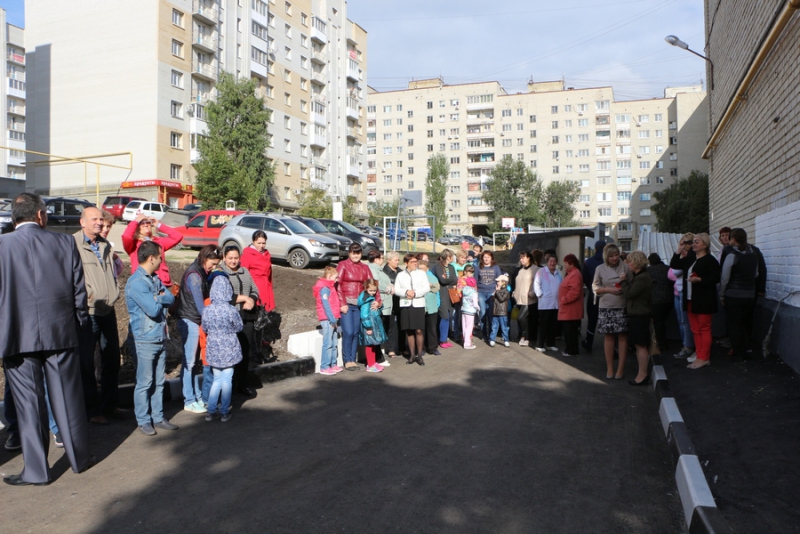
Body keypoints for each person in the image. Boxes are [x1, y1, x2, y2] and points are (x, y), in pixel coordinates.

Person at [0, 193, 92, 486]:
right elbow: (80, 292)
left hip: (16, 335)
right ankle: (79, 459)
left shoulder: (2, 247)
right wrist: (77, 325)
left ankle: (37, 471)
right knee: (68, 399)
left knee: (29, 405)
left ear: (15, 219)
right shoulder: (65, 243)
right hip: (61, 332)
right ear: (41, 216)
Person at [73, 207, 123, 426]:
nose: (99, 223)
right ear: (82, 222)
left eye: (101, 219)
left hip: (108, 309)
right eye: (94, 219)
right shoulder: (72, 244)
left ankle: (110, 405)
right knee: (86, 364)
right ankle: (91, 411)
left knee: (111, 359)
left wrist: (115, 290)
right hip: (89, 311)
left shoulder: (104, 244)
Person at [126, 240, 178, 436]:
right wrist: (159, 298)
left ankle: (158, 416)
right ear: (151, 258)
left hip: (159, 336)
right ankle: (143, 420)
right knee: (145, 382)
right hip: (145, 339)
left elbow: (171, 298)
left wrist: (159, 297)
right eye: (160, 258)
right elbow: (154, 309)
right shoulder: (137, 283)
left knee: (158, 381)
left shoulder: (154, 279)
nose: (161, 261)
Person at [175, 245, 223, 413]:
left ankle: (195, 396)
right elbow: (200, 306)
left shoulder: (200, 271)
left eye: (216, 264)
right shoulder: (195, 276)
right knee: (189, 362)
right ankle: (189, 400)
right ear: (204, 258)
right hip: (189, 319)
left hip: (193, 319)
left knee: (193, 362)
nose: (214, 267)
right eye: (213, 263)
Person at [671, 233, 720, 370]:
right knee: (695, 329)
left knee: (704, 329)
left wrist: (700, 280)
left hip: (704, 300)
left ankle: (704, 357)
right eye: (693, 242)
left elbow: (716, 278)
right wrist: (679, 250)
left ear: (705, 244)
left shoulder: (710, 260)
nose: (693, 244)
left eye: (697, 242)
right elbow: (674, 265)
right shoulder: (691, 259)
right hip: (690, 299)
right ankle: (699, 355)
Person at [201, 276, 243, 422]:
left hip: (213, 348)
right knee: (227, 380)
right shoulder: (231, 310)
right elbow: (239, 327)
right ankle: (224, 411)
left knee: (216, 380)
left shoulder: (207, 310)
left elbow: (205, 327)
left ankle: (211, 411)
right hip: (229, 348)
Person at [221, 246, 259, 396]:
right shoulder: (222, 274)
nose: (233, 261)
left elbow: (255, 289)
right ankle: (229, 385)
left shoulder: (245, 272)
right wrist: (244, 298)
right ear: (224, 257)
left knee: (245, 351)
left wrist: (252, 300)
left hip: (247, 317)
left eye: (236, 258)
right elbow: (224, 295)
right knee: (231, 353)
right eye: (230, 258)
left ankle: (243, 383)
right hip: (231, 318)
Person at [592, 243, 633, 379]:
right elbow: (595, 288)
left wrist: (624, 285)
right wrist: (609, 289)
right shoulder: (600, 268)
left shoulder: (626, 267)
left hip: (622, 305)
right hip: (606, 306)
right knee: (609, 337)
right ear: (606, 257)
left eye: (616, 255)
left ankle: (620, 369)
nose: (614, 258)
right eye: (611, 256)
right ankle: (610, 367)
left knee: (622, 337)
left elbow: (632, 286)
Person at [720, 228, 759, 362]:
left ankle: (738, 350)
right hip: (750, 294)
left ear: (734, 239)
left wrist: (722, 294)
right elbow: (756, 275)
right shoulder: (753, 254)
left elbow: (725, 278)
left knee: (734, 324)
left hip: (733, 295)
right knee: (745, 323)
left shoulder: (732, 255)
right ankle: (748, 349)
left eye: (730, 237)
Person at [337, 243, 376, 371]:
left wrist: (378, 300)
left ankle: (352, 359)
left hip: (359, 304)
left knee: (356, 332)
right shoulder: (343, 265)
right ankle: (347, 359)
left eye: (358, 253)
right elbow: (337, 285)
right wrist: (342, 303)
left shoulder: (365, 267)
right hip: (347, 304)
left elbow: (372, 284)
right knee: (348, 332)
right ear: (349, 253)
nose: (356, 255)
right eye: (353, 253)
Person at [240, 230, 276, 362]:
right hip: (254, 289)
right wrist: (247, 294)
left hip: (264, 288)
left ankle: (259, 349)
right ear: (253, 242)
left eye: (263, 243)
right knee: (255, 321)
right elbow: (244, 275)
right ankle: (253, 352)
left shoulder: (267, 254)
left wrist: (270, 290)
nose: (261, 245)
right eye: (259, 243)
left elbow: (269, 274)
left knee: (262, 320)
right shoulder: (247, 254)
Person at [121, 213, 183, 286]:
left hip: (162, 283)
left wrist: (159, 225)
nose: (146, 225)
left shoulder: (159, 241)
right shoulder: (133, 244)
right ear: (136, 227)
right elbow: (126, 236)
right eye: (141, 223)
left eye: (148, 222)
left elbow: (178, 237)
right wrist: (135, 221)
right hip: (143, 283)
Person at [622, 251, 653, 385]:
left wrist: (623, 282)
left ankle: (642, 375)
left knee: (640, 346)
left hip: (640, 315)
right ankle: (642, 374)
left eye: (630, 262)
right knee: (639, 345)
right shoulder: (640, 276)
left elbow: (629, 293)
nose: (628, 265)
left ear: (635, 262)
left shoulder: (642, 277)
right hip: (638, 314)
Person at [394, 253, 431, 365]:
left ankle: (420, 355)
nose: (415, 264)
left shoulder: (421, 274)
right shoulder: (400, 275)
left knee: (419, 330)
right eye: (412, 262)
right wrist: (406, 292)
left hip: (418, 303)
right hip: (406, 304)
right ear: (406, 263)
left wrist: (415, 293)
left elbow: (426, 288)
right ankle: (412, 355)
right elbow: (396, 289)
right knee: (409, 330)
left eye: (416, 262)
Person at [671, 233, 697, 360]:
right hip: (678, 290)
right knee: (681, 320)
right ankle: (685, 345)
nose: (684, 245)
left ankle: (688, 347)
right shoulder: (682, 257)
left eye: (687, 242)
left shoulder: (692, 257)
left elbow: (675, 272)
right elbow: (673, 271)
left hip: (685, 291)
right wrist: (678, 252)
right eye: (682, 242)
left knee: (685, 321)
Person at [313, 266, 343, 376]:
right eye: (335, 278)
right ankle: (324, 366)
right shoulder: (325, 288)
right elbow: (326, 305)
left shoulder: (330, 287)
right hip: (328, 319)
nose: (337, 280)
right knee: (328, 343)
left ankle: (333, 364)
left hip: (333, 318)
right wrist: (331, 319)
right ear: (329, 276)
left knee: (334, 342)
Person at [366, 249, 392, 366]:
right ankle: (378, 358)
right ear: (376, 259)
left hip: (384, 302)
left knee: (381, 330)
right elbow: (376, 284)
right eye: (382, 258)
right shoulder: (373, 269)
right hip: (379, 303)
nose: (383, 260)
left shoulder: (378, 269)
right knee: (377, 331)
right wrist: (389, 288)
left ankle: (379, 357)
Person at [533, 254, 562, 352]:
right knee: (543, 325)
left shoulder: (558, 273)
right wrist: (540, 294)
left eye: (554, 261)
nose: (552, 263)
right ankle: (539, 345)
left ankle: (550, 344)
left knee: (553, 325)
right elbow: (536, 284)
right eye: (551, 261)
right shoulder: (541, 272)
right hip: (545, 303)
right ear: (547, 262)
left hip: (555, 304)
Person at [358, 279, 387, 373]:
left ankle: (373, 362)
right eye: (371, 290)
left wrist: (379, 305)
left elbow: (376, 310)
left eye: (374, 291)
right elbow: (364, 315)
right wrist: (368, 327)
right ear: (366, 289)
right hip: (370, 326)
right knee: (370, 345)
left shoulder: (372, 298)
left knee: (373, 344)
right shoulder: (366, 301)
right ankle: (370, 365)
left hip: (374, 324)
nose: (373, 292)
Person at [582, 241, 606, 352]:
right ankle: (613, 347)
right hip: (608, 296)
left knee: (592, 320)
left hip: (593, 295)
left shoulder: (588, 262)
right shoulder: (609, 262)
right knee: (608, 321)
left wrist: (591, 287)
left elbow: (585, 278)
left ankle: (589, 343)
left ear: (595, 249)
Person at [558, 254, 584, 357]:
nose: (564, 265)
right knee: (569, 331)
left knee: (570, 332)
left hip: (570, 309)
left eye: (565, 263)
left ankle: (571, 350)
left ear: (571, 264)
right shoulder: (572, 273)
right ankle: (570, 349)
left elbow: (574, 292)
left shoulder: (575, 274)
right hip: (568, 309)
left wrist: (564, 300)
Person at [647, 253, 674, 351]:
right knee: (663, 321)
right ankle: (664, 341)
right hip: (669, 299)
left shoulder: (648, 271)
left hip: (655, 301)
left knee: (658, 323)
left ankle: (661, 343)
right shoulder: (668, 268)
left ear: (649, 262)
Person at [432, 249, 458, 349]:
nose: (453, 258)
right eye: (452, 256)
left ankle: (444, 337)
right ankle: (442, 339)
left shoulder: (451, 267)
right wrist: (449, 280)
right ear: (448, 257)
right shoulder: (438, 267)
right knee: (444, 316)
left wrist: (449, 280)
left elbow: (455, 279)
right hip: (441, 293)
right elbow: (442, 281)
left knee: (450, 315)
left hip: (450, 294)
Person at [477, 251, 503, 339]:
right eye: (484, 257)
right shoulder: (478, 268)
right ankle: (484, 333)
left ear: (491, 258)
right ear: (482, 258)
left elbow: (499, 280)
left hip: (492, 293)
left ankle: (492, 334)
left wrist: (497, 290)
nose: (486, 259)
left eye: (488, 257)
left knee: (491, 314)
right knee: (483, 313)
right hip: (481, 292)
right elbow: (475, 281)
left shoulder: (496, 268)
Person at [512, 251, 536, 346]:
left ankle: (524, 336)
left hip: (529, 299)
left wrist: (532, 293)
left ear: (529, 258)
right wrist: (514, 293)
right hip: (519, 299)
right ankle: (526, 337)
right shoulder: (520, 270)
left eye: (523, 258)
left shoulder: (536, 269)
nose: (521, 259)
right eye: (520, 258)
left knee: (521, 318)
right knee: (524, 319)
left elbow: (539, 283)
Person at [420, 259, 442, 356]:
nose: (421, 270)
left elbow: (436, 288)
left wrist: (430, 286)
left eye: (423, 268)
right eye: (419, 268)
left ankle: (433, 348)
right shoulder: (416, 277)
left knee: (432, 328)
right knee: (421, 328)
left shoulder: (431, 277)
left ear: (427, 268)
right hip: (421, 306)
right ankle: (422, 348)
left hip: (432, 306)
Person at [382, 250, 402, 358]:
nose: (398, 262)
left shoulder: (400, 271)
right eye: (396, 260)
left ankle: (400, 347)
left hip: (400, 301)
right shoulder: (384, 272)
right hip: (390, 301)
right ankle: (391, 349)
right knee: (390, 325)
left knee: (399, 325)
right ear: (388, 260)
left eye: (398, 260)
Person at [100, 210, 124, 279]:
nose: (105, 229)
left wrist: (115, 258)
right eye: (102, 226)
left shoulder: (108, 244)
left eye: (108, 226)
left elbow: (118, 270)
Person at [489, 274, 511, 347]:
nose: (497, 283)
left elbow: (501, 299)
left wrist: (497, 291)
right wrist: (494, 294)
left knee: (504, 327)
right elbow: (493, 299)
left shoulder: (507, 291)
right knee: (494, 326)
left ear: (504, 282)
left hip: (502, 312)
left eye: (499, 281)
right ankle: (492, 339)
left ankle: (506, 340)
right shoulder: (497, 290)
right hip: (495, 312)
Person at [460, 265, 480, 350]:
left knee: (464, 326)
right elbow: (475, 304)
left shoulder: (465, 291)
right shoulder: (474, 293)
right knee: (469, 327)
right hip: (471, 311)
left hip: (464, 309)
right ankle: (467, 343)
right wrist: (478, 308)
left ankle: (465, 340)